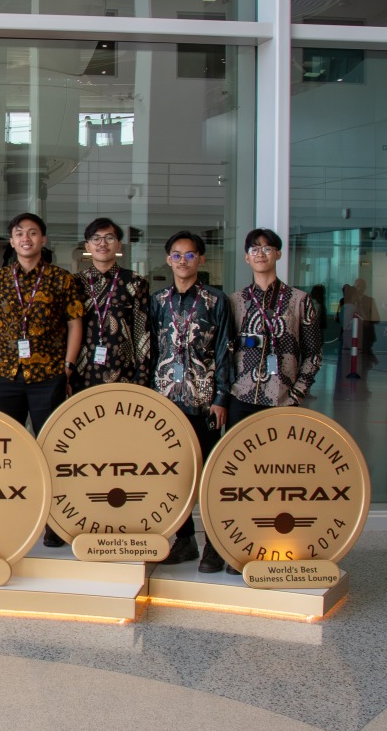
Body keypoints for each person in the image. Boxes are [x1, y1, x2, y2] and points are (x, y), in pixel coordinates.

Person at [0, 213, 85, 547]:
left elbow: (74, 323)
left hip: (47, 376)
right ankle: (8, 520)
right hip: (5, 374)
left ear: (43, 240)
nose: (26, 239)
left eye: (33, 233)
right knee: (5, 451)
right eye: (19, 233)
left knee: (51, 450)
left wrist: (67, 366)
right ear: (12, 241)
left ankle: (55, 523)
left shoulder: (61, 279)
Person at [149, 231, 236, 573]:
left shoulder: (216, 301)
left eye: (189, 255)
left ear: (201, 259)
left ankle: (214, 545)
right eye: (176, 255)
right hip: (168, 401)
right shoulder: (158, 301)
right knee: (174, 474)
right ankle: (185, 540)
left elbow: (226, 349)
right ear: (168, 259)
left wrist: (221, 397)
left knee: (209, 476)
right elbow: (152, 351)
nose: (182, 261)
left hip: (205, 402)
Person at [229, 228, 323, 426]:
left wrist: (296, 393)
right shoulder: (235, 301)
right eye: (254, 250)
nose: (260, 254)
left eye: (267, 248)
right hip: (240, 396)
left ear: (278, 254)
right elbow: (225, 349)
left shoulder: (299, 300)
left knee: (276, 457)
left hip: (282, 398)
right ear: (247, 257)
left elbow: (313, 353)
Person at [72, 218, 151, 391]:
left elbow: (142, 331)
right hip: (82, 372)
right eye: (96, 238)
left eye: (109, 238)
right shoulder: (74, 283)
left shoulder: (135, 282)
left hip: (125, 373)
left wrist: (142, 375)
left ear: (119, 245)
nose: (103, 244)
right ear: (87, 246)